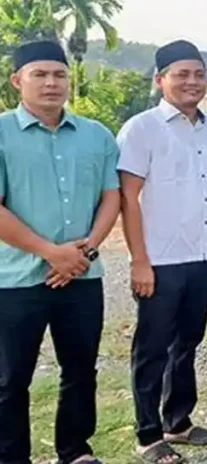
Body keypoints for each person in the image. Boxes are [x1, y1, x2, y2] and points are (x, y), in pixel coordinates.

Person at [0, 40, 121, 464]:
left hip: (83, 277)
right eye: (40, 74)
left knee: (80, 370)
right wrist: (51, 252)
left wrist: (83, 252)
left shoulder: (96, 135)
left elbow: (112, 197)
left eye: (59, 74)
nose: (52, 83)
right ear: (18, 80)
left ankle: (74, 450)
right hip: (15, 279)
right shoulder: (0, 133)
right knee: (11, 377)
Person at [117, 40, 207, 463]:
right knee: (153, 348)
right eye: (182, 74)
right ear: (160, 79)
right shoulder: (141, 128)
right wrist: (139, 260)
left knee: (189, 342)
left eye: (198, 74)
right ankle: (148, 434)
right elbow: (128, 198)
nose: (192, 82)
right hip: (160, 260)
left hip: (202, 257)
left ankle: (178, 422)